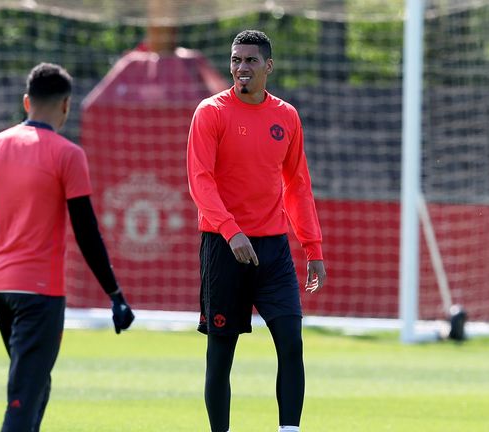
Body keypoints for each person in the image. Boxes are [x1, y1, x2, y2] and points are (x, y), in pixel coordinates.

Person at [0, 62, 135, 432]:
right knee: (23, 397)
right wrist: (114, 293)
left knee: (37, 385)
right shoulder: (67, 154)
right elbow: (87, 232)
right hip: (40, 293)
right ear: (66, 106)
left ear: (27, 102)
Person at [186, 30, 327, 432]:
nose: (241, 68)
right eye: (235, 60)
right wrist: (231, 231)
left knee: (291, 342)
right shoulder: (211, 112)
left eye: (250, 61)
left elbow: (297, 185)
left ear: (268, 66)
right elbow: (201, 180)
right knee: (221, 355)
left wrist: (312, 248)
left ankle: (289, 430)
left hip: (273, 251)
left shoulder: (286, 117)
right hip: (223, 247)